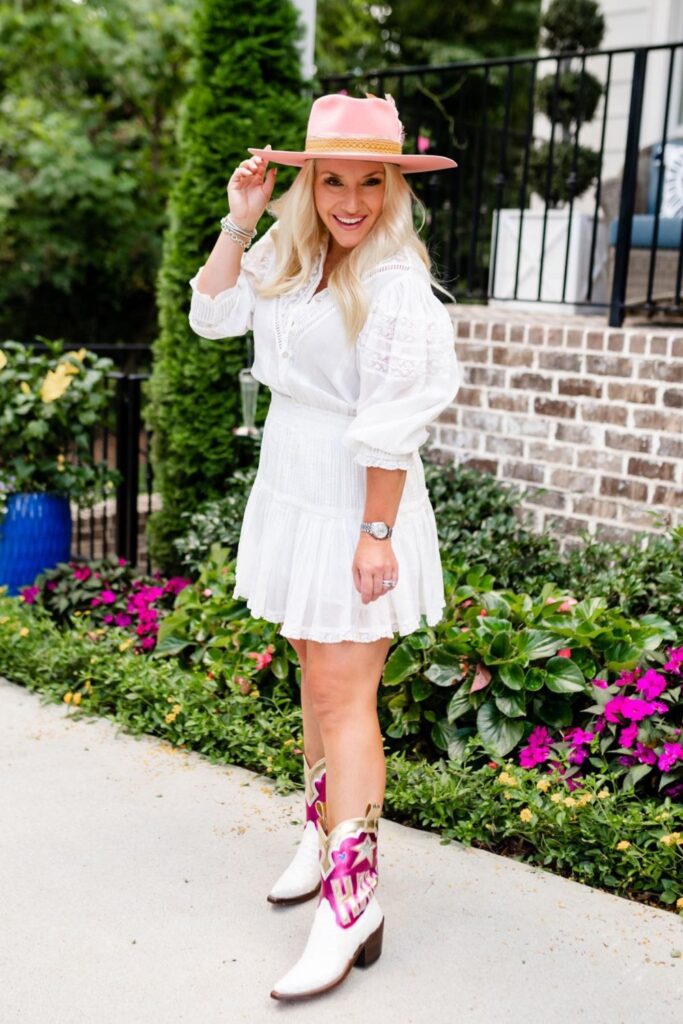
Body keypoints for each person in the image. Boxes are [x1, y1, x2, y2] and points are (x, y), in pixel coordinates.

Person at [188, 92, 461, 1002]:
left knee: (347, 701)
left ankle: (353, 906)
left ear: (394, 187)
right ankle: (320, 830)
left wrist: (375, 534)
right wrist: (240, 220)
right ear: (307, 185)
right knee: (315, 680)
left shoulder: (397, 288)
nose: (351, 201)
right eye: (332, 180)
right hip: (293, 487)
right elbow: (212, 317)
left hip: (356, 502)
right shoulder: (293, 257)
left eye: (370, 182)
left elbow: (394, 424)